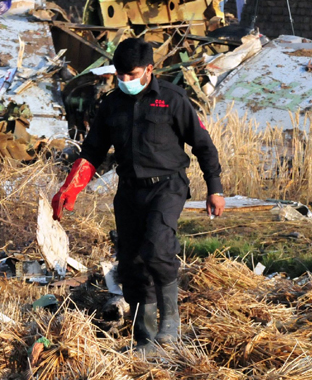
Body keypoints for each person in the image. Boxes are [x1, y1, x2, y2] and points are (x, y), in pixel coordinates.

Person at [51, 38, 225, 354]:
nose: (125, 81)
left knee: (158, 248)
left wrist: (215, 188)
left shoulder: (173, 99)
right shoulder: (112, 105)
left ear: (149, 69)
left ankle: (170, 325)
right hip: (129, 190)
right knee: (131, 263)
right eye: (120, 75)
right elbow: (92, 152)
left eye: (131, 75)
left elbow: (203, 145)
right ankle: (144, 338)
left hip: (167, 187)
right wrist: (70, 188)